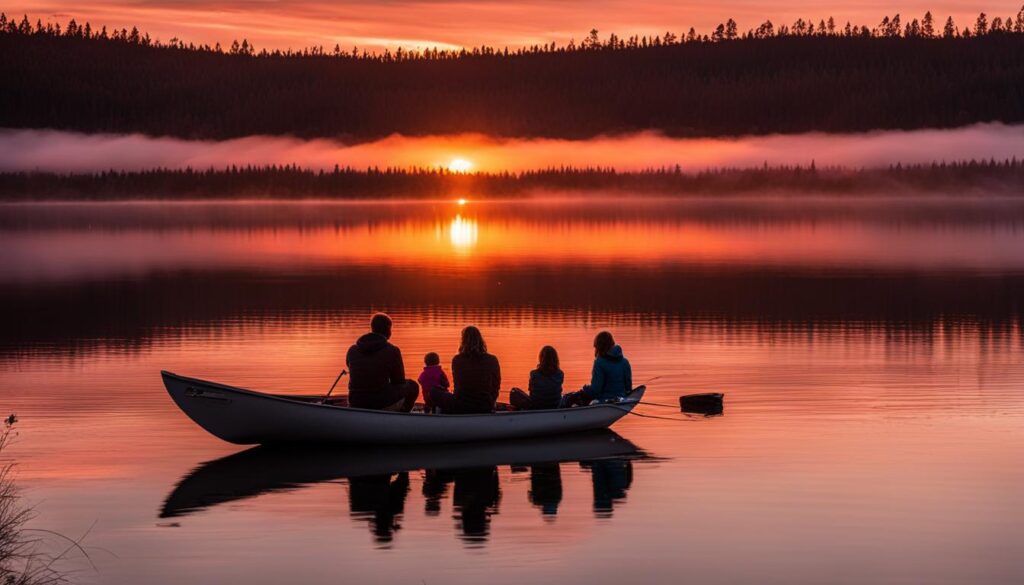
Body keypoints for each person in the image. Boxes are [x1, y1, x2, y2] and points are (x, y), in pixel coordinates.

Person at [345, 313, 419, 411]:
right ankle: (402, 415)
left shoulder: (352, 350)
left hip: (355, 401)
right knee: (413, 386)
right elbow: (398, 381)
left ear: (372, 328)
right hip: (380, 402)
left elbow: (353, 370)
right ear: (388, 330)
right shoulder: (392, 350)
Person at [430, 326, 500, 414]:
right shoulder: (492, 359)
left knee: (434, 390)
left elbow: (457, 387)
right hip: (485, 406)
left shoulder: (457, 359)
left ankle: (439, 414)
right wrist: (491, 403)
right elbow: (496, 386)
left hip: (461, 405)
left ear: (463, 341)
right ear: (481, 340)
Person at [563, 331, 633, 407]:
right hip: (621, 398)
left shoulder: (600, 363)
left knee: (568, 399)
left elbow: (596, 390)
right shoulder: (625, 362)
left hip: (604, 400)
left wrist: (586, 389)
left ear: (599, 347)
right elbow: (628, 387)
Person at [509, 345, 564, 410]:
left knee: (514, 391)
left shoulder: (534, 374)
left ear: (541, 358)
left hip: (536, 406)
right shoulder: (560, 374)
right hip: (555, 405)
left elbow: (531, 391)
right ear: (555, 359)